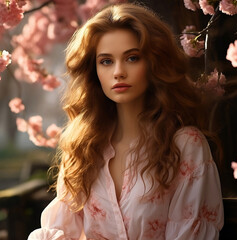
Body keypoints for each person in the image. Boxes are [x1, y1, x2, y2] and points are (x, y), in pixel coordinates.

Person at [28, 3, 224, 240]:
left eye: (132, 58)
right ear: (94, 70)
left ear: (154, 63)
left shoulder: (185, 145)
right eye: (106, 61)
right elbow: (60, 232)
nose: (118, 72)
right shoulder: (83, 148)